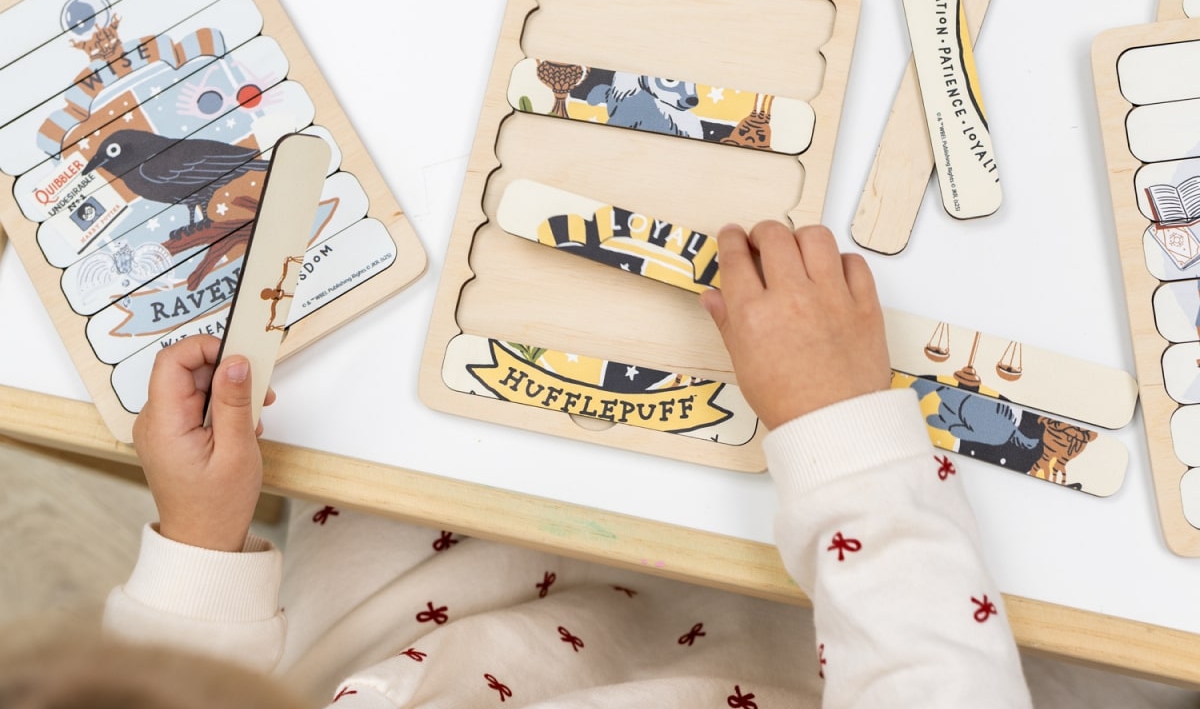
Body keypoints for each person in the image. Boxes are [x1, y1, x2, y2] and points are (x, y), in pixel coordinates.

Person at [4, 224, 1033, 707]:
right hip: (817, 623)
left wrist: (197, 538)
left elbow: (166, 675)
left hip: (428, 545)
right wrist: (838, 424)